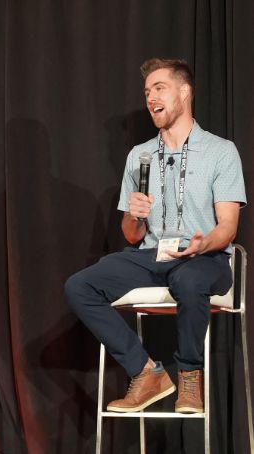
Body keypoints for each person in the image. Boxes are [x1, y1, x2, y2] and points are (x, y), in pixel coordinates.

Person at [65, 58, 246, 414]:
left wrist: (203, 244)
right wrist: (134, 215)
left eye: (159, 88)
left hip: (204, 256)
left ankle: (191, 375)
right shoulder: (140, 157)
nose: (150, 98)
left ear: (184, 91)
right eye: (147, 92)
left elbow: (227, 226)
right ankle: (147, 372)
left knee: (191, 280)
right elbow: (132, 236)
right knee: (79, 286)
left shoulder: (220, 152)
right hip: (152, 255)